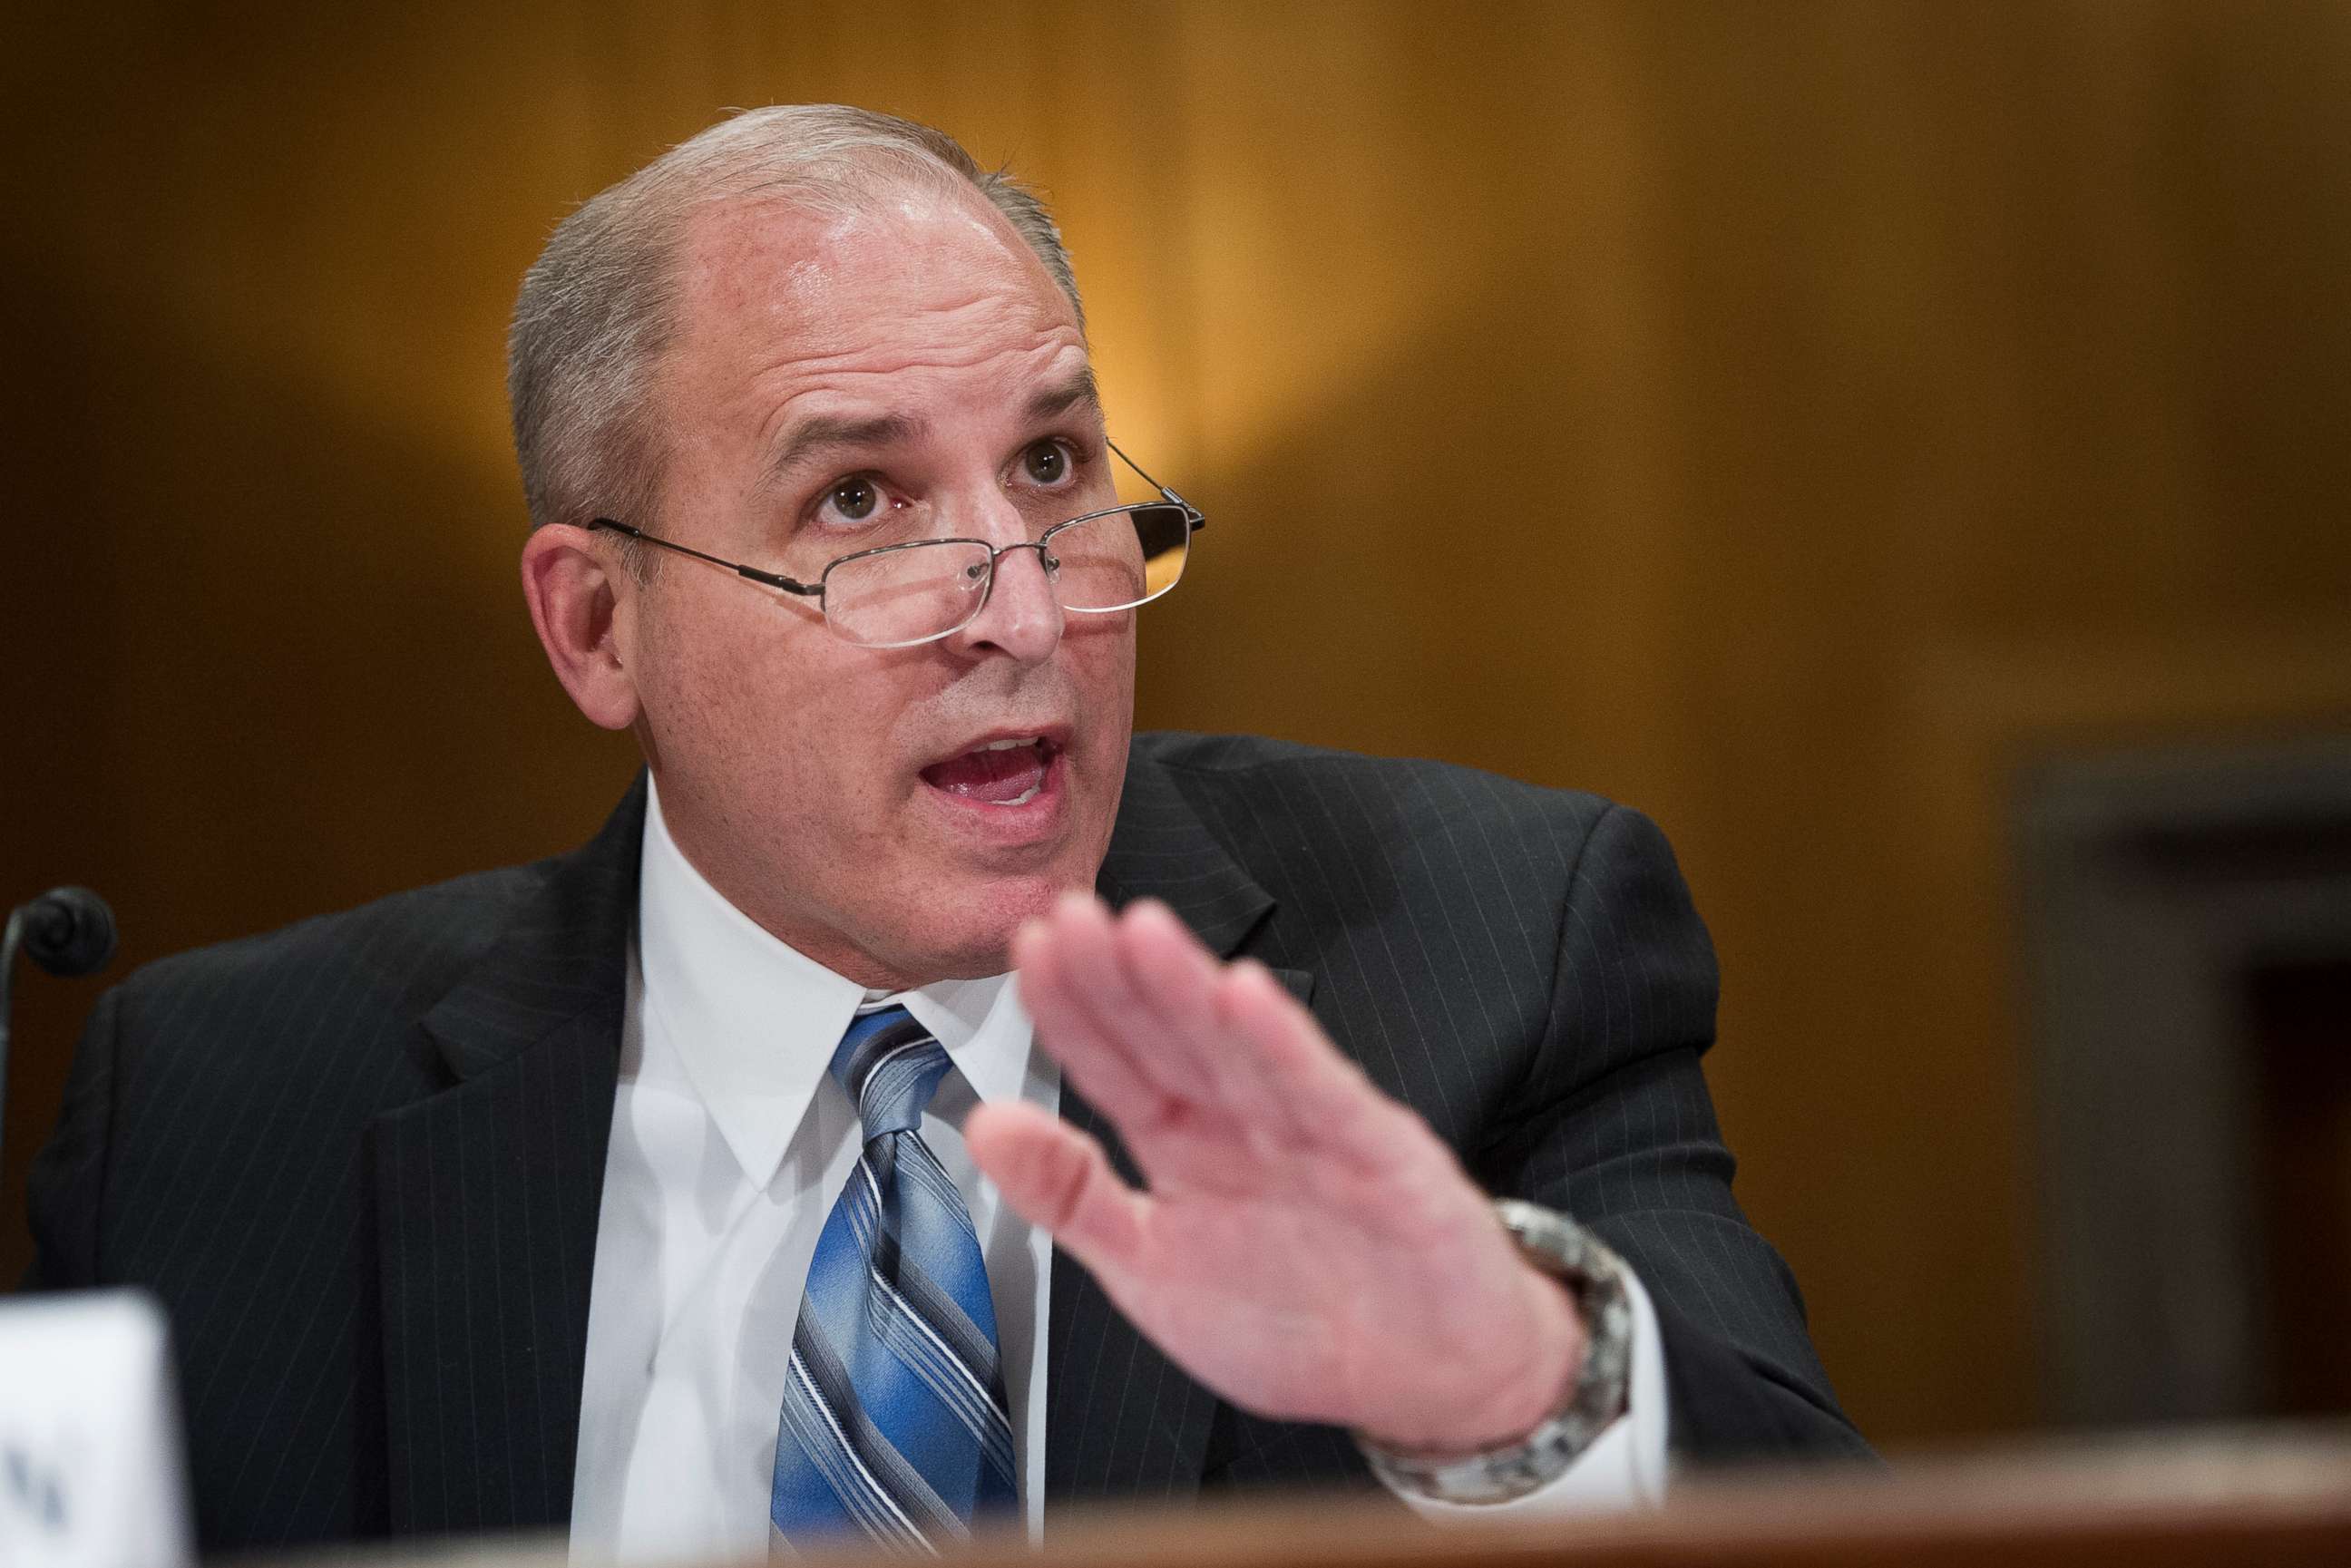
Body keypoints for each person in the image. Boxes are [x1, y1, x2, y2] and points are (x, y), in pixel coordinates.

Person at [25, 105, 1867, 1558]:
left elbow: (1827, 1534)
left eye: (1056, 466)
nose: (1026, 609)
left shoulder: (1484, 955)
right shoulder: (224, 1103)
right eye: (858, 499)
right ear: (598, 623)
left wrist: (1515, 1382)